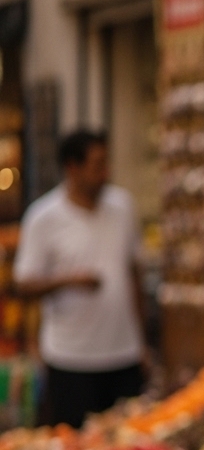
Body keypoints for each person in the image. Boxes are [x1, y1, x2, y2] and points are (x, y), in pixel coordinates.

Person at [14, 130, 147, 428]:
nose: (105, 172)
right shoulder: (43, 218)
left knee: (129, 442)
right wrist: (68, 281)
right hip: (71, 358)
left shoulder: (123, 207)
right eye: (97, 165)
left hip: (123, 354)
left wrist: (142, 343)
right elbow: (23, 284)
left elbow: (134, 272)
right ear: (72, 167)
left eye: (106, 163)